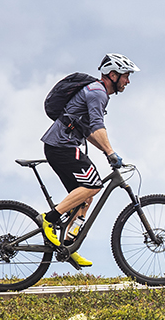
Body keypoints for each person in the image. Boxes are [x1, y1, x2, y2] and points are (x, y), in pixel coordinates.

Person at [38, 53, 139, 267]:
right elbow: (97, 127)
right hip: (61, 146)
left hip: (61, 146)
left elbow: (88, 131)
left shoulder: (97, 92)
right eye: (126, 76)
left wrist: (107, 151)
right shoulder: (97, 93)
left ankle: (67, 246)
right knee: (93, 185)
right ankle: (48, 219)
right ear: (113, 75)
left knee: (84, 198)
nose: (128, 81)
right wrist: (110, 152)